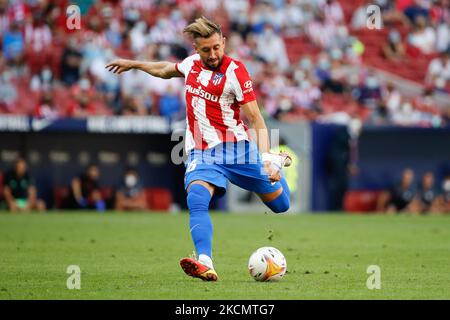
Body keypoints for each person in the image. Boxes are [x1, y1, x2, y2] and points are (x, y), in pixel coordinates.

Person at [106, 16, 292, 282]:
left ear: (223, 42)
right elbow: (164, 70)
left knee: (281, 205)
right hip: (202, 152)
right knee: (196, 197)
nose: (213, 54)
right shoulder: (191, 64)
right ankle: (205, 261)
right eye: (206, 50)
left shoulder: (235, 72)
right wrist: (134, 64)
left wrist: (268, 159)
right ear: (196, 49)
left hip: (238, 148)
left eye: (217, 47)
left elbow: (256, 118)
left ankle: (279, 163)